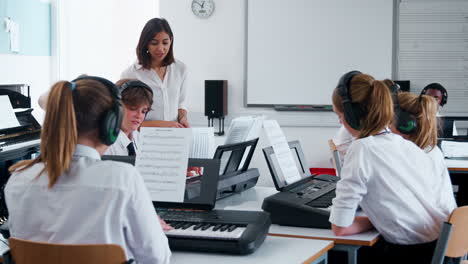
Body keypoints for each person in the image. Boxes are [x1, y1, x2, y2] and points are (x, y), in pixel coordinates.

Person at [6, 76, 171, 264]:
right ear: (111, 125)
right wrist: (149, 224)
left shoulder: (18, 179)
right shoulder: (123, 179)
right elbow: (157, 258)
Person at [329, 71, 454, 263]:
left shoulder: (362, 148)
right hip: (441, 250)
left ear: (353, 115)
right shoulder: (404, 144)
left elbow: (341, 227)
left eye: (339, 115)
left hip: (411, 255)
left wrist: (374, 219)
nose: (340, 122)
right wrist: (380, 218)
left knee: (336, 255)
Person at [390, 89, 456, 211]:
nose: (387, 126)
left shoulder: (411, 155)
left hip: (428, 227)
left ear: (405, 124)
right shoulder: (431, 150)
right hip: (444, 224)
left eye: (390, 120)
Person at [121, 18, 190, 128]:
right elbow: (126, 120)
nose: (160, 49)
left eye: (165, 43)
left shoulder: (180, 69)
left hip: (175, 137)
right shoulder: (131, 74)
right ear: (146, 43)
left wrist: (183, 118)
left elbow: (181, 104)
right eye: (154, 43)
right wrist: (163, 125)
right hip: (144, 139)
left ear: (171, 41)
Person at [105, 79, 153, 156]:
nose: (139, 116)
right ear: (116, 108)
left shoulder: (140, 138)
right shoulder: (106, 144)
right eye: (133, 109)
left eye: (143, 111)